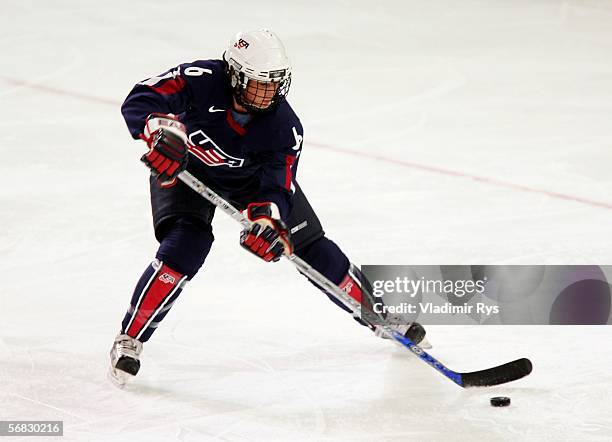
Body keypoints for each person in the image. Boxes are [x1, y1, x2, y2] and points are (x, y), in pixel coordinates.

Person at [109, 29, 425, 386]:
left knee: (312, 248)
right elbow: (142, 98)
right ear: (233, 74)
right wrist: (159, 130)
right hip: (184, 170)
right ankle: (130, 338)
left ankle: (380, 317)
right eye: (258, 83)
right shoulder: (200, 79)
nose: (267, 93)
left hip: (249, 183)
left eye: (274, 84)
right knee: (187, 244)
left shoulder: (284, 128)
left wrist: (268, 221)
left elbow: (278, 185)